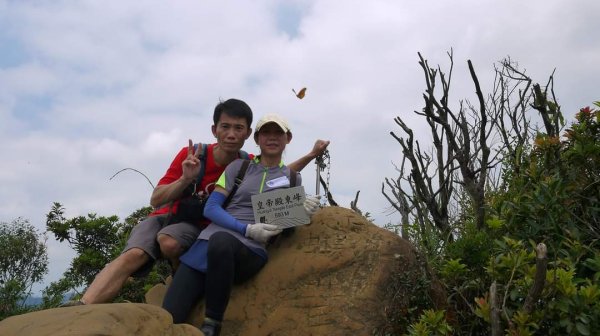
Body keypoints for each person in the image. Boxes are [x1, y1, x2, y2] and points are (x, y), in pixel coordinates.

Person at [65, 99, 329, 306]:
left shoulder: (246, 163)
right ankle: (83, 307)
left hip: (205, 227)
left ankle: (182, 285)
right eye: (225, 127)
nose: (231, 134)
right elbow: (155, 198)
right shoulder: (194, 155)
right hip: (171, 216)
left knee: (178, 244)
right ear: (214, 129)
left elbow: (277, 169)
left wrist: (311, 155)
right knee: (136, 253)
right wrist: (184, 179)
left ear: (248, 133)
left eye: (238, 128)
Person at [162, 113, 321, 335]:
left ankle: (212, 324)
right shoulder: (239, 167)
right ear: (256, 139)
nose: (272, 138)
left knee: (222, 241)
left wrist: (300, 213)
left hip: (248, 253)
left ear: (288, 138)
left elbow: (282, 227)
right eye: (266, 133)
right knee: (167, 316)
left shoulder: (293, 178)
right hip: (204, 248)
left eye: (279, 133)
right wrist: (246, 228)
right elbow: (211, 207)